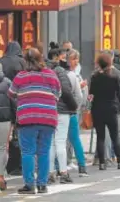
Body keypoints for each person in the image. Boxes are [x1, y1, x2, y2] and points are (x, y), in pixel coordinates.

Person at [8, 48, 61, 194]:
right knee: (44, 151)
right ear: (41, 59)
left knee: (28, 152)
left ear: (25, 60)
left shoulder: (21, 76)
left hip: (27, 118)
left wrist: (25, 96)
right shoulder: (51, 74)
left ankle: (29, 185)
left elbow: (11, 93)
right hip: (48, 118)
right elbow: (58, 93)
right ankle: (42, 184)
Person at [89, 52, 120, 170]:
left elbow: (91, 93)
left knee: (100, 137)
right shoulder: (116, 75)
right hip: (111, 108)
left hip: (97, 109)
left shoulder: (94, 76)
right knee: (114, 136)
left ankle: (102, 163)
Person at [47, 49, 77, 184]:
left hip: (48, 110)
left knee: (51, 143)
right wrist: (73, 106)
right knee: (60, 142)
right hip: (62, 109)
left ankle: (50, 172)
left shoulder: (44, 71)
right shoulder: (60, 71)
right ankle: (63, 172)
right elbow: (66, 90)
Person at [65, 49, 89, 177]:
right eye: (74, 59)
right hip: (72, 110)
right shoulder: (73, 75)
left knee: (68, 139)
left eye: (77, 59)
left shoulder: (71, 74)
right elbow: (78, 95)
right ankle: (80, 165)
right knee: (72, 138)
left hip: (68, 110)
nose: (76, 61)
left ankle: (78, 164)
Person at [0, 62, 12, 191]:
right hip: (4, 119)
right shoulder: (8, 82)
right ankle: (1, 176)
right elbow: (14, 101)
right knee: (2, 148)